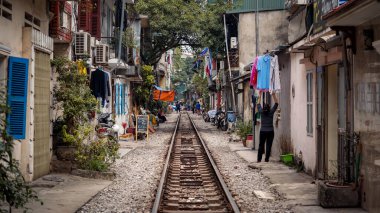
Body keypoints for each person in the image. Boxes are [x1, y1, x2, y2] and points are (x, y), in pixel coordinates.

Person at [257, 91, 278, 162]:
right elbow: (276, 104)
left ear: (264, 108)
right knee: (268, 146)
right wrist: (273, 95)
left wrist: (259, 95)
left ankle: (259, 159)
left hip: (263, 131)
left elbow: (258, 104)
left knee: (261, 145)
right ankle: (266, 159)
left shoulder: (261, 112)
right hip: (270, 131)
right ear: (269, 108)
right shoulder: (271, 112)